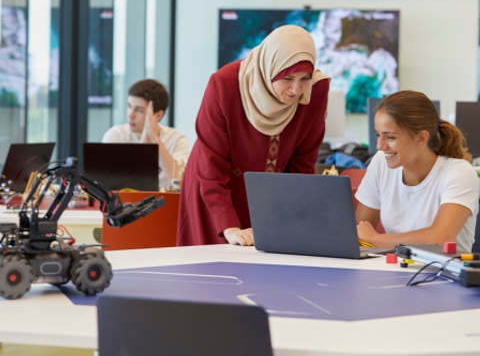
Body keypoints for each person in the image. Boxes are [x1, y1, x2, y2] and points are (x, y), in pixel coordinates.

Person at [177, 25, 330, 246]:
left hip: (270, 195)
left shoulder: (316, 90)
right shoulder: (225, 84)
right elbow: (212, 165)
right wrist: (229, 227)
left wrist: (295, 219)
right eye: (287, 78)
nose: (296, 90)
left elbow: (303, 164)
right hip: (214, 189)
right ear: (270, 68)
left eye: (304, 78)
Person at [355, 90, 479, 253]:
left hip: (445, 274)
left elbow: (438, 240)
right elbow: (358, 231)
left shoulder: (460, 172)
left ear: (421, 138)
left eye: (390, 137)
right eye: (378, 135)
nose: (380, 146)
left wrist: (375, 239)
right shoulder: (380, 161)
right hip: (392, 269)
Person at [102, 79, 190, 190]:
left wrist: (154, 138)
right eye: (129, 106)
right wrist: (144, 143)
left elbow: (177, 180)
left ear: (158, 115)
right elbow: (116, 185)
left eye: (139, 110)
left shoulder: (177, 139)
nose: (130, 115)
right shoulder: (115, 136)